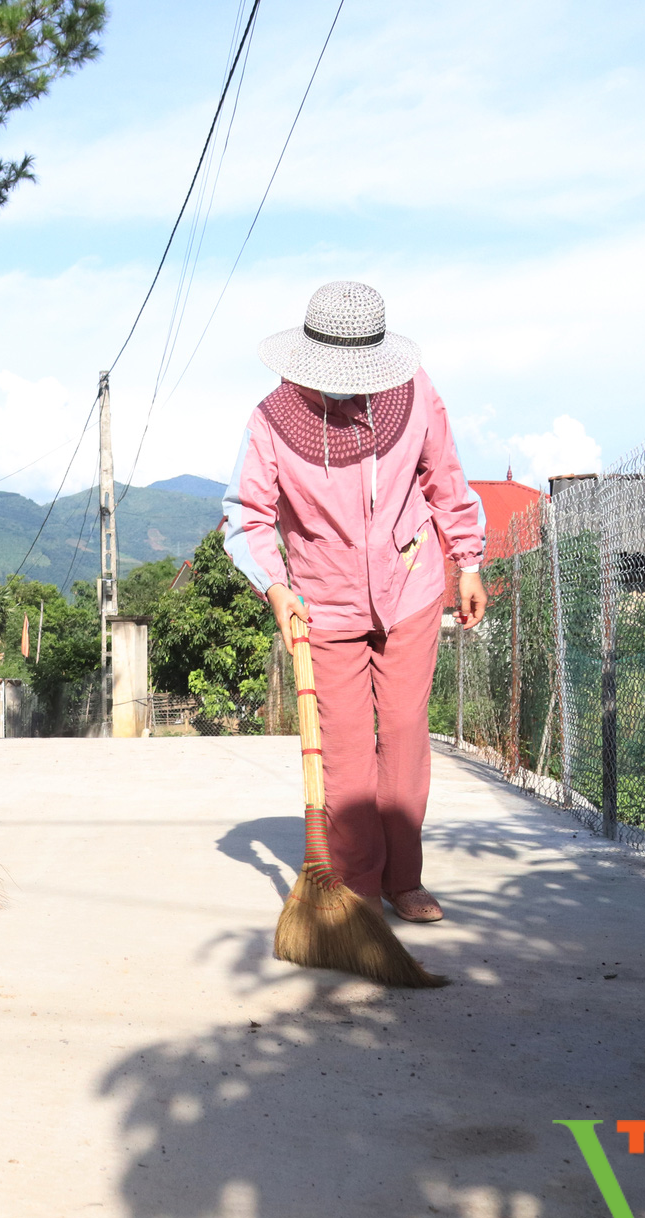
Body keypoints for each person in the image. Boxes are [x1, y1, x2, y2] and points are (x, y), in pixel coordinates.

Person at [224, 281, 487, 923]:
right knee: (345, 751)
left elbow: (445, 479)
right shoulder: (272, 420)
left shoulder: (414, 392)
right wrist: (277, 586)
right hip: (325, 601)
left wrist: (469, 561)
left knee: (401, 735)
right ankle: (360, 885)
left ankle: (405, 879)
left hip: (411, 585)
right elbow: (247, 515)